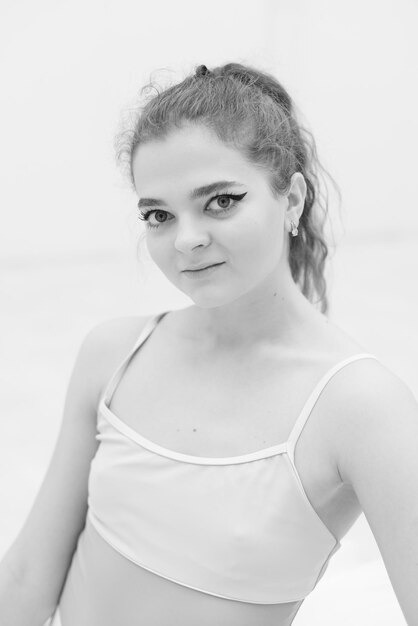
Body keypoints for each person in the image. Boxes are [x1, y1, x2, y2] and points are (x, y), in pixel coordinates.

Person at [0, 62, 417, 626]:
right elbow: (28, 575)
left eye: (221, 201)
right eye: (159, 215)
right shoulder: (114, 354)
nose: (188, 240)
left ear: (291, 199)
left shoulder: (361, 407)